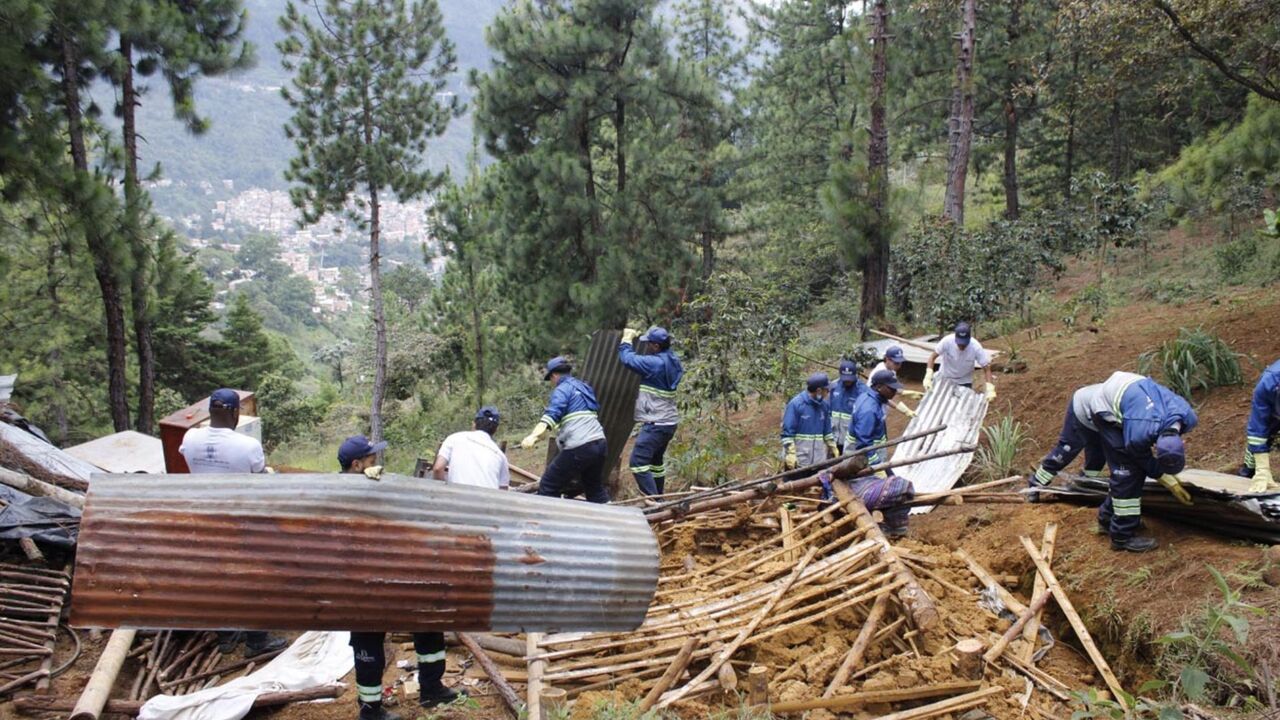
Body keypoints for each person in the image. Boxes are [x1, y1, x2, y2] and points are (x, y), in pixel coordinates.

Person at [341, 435, 464, 719]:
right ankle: (370, 710)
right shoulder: (339, 492)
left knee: (428, 622)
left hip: (393, 572)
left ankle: (431, 688)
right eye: (372, 460)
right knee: (368, 640)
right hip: (361, 583)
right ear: (357, 465)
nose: (377, 464)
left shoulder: (376, 486)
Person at [178, 389, 286, 658]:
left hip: (204, 521)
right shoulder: (247, 446)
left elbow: (186, 456)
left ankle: (227, 636)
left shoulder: (190, 437)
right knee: (255, 578)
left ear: (209, 412)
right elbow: (260, 478)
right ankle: (256, 640)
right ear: (236, 413)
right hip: (241, 523)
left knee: (216, 578)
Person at [1057, 371, 1196, 552]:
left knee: (1134, 470)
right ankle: (1122, 537)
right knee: (1128, 472)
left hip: (1132, 394)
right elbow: (1137, 453)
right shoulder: (1139, 433)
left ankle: (1106, 518)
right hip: (1104, 406)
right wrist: (1162, 476)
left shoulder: (1188, 417)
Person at [520, 357, 610, 503]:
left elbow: (552, 415)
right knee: (594, 489)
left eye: (550, 379)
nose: (551, 383)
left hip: (581, 446)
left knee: (548, 485)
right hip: (600, 443)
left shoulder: (561, 390)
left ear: (554, 375)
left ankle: (551, 521)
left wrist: (533, 436)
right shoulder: (585, 387)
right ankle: (610, 518)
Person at [618, 326, 683, 496]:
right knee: (655, 463)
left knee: (638, 462)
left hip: (657, 423)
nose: (646, 347)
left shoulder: (655, 364)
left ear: (656, 346)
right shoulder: (672, 360)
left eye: (649, 344)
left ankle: (655, 503)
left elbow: (627, 359)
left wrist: (626, 340)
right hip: (669, 422)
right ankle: (660, 498)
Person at [432, 406, 510, 491]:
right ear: (496, 430)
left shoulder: (454, 438)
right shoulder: (500, 456)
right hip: (486, 503)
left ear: (474, 424)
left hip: (456, 499)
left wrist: (444, 492)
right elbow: (503, 490)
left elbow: (438, 468)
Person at [846, 369, 902, 470]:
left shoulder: (872, 397)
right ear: (879, 387)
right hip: (863, 459)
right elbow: (863, 443)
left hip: (873, 450)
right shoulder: (869, 409)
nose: (895, 392)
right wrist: (875, 465)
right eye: (891, 388)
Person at [924, 322, 996, 401]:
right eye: (959, 344)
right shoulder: (947, 341)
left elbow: (986, 368)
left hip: (964, 381)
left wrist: (990, 388)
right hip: (945, 377)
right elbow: (932, 357)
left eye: (964, 344)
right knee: (941, 402)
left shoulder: (976, 347)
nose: (962, 346)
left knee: (961, 406)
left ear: (969, 339)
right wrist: (928, 375)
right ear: (955, 338)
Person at [781, 373, 836, 470]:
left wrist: (832, 445)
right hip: (799, 461)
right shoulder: (796, 405)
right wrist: (791, 453)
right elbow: (787, 434)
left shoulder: (824, 406)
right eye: (826, 390)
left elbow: (827, 430)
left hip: (819, 460)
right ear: (819, 390)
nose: (828, 392)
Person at [1241, 358, 1280, 493]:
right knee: (1257, 448)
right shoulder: (1267, 384)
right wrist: (1262, 468)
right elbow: (1257, 428)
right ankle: (1247, 474)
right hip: (1273, 413)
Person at [870, 346, 920, 419]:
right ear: (887, 359)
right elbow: (880, 397)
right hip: (874, 409)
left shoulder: (891, 370)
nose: (899, 366)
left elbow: (891, 388)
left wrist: (907, 393)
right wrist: (903, 410)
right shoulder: (879, 373)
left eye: (900, 363)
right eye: (896, 363)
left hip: (881, 409)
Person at [829, 360, 867, 454]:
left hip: (850, 440)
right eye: (844, 379)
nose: (847, 381)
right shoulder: (833, 386)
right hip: (834, 437)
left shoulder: (862, 391)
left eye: (849, 379)